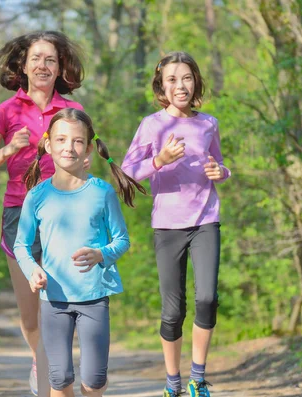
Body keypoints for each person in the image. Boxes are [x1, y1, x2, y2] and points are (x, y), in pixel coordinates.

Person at [0, 31, 85, 397]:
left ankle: (56, 380)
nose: (42, 65)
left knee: (60, 303)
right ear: (23, 65)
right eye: (36, 58)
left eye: (50, 59)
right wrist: (9, 150)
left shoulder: (73, 112)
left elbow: (85, 167)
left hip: (63, 214)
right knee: (29, 314)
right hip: (18, 214)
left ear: (59, 68)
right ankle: (44, 361)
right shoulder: (7, 111)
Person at [14, 108, 146, 397]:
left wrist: (101, 254)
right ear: (48, 145)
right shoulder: (37, 196)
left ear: (88, 148)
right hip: (54, 300)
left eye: (76, 141)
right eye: (61, 140)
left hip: (94, 298)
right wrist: (31, 270)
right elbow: (21, 245)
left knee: (94, 380)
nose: (68, 147)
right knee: (59, 379)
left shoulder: (102, 193)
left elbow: (122, 240)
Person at [121, 51, 231, 397]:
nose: (180, 85)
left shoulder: (208, 123)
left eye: (186, 78)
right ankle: (173, 382)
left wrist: (221, 172)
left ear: (195, 81)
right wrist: (159, 159)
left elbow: (221, 166)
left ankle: (197, 377)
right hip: (168, 226)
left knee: (208, 299)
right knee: (172, 311)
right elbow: (127, 172)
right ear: (161, 86)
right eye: (172, 79)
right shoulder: (152, 125)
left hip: (205, 221)